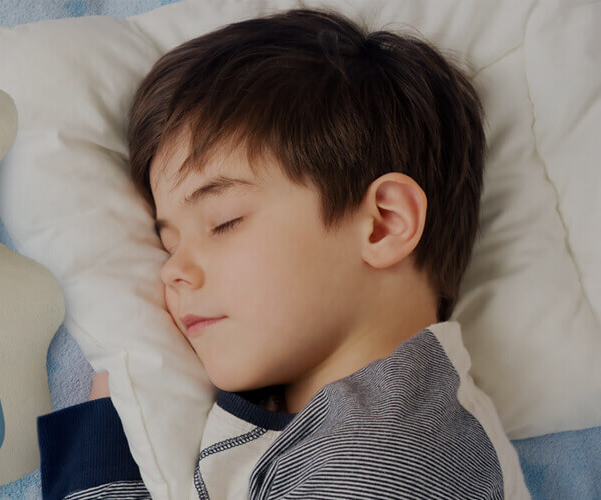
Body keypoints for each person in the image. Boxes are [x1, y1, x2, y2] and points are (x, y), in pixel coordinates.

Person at [36, 7, 531, 499]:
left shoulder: (389, 461)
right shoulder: (349, 432)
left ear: (383, 224)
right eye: (167, 245)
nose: (173, 271)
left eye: (223, 222)